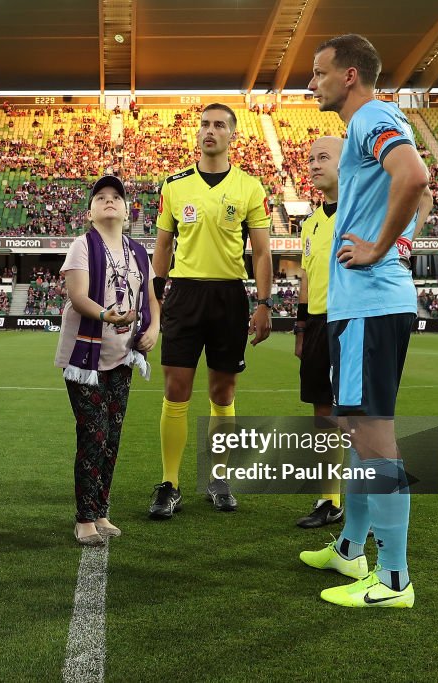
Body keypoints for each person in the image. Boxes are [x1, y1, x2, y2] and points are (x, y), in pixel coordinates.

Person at [299, 34, 429, 609]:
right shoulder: (372, 122)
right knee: (356, 434)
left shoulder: (372, 114)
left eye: (319, 72)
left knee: (374, 439)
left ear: (349, 75)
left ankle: (395, 578)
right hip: (365, 305)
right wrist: (397, 239)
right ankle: (352, 548)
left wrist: (379, 247)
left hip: (370, 303)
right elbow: (419, 200)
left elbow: (416, 179)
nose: (312, 82)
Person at [148, 103, 273, 519]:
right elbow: (163, 246)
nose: (210, 130)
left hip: (229, 297)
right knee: (176, 389)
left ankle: (220, 477)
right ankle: (170, 483)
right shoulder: (175, 185)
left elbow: (261, 250)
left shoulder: (250, 187)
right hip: (184, 294)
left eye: (219, 125)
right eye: (204, 124)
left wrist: (264, 302)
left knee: (223, 392)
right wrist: (157, 295)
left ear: (232, 135)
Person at [55, 176, 160, 545]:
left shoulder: (138, 252)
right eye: (101, 197)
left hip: (121, 357)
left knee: (112, 437)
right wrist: (107, 316)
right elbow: (78, 295)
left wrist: (154, 329)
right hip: (85, 359)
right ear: (90, 212)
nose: (110, 201)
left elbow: (150, 298)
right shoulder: (82, 245)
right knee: (94, 434)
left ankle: (101, 510)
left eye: (116, 197)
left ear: (128, 212)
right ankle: (84, 518)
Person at [294, 136, 345, 529]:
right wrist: (301, 328)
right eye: (310, 159)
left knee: (354, 412)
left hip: (352, 321)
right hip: (316, 323)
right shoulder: (309, 222)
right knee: (322, 410)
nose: (313, 165)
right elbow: (307, 278)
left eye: (323, 158)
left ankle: (354, 494)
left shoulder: (360, 212)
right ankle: (329, 498)